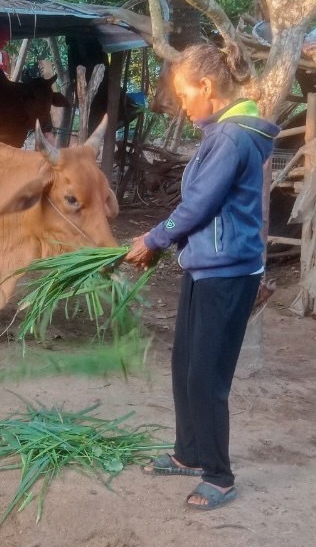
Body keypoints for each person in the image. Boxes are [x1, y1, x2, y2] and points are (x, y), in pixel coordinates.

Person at [126, 42, 279, 511]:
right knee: (185, 368)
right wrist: (166, 243)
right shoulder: (222, 133)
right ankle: (189, 454)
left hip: (228, 273)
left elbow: (198, 206)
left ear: (208, 87)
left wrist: (153, 239)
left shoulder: (231, 138)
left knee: (207, 376)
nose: (181, 103)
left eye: (184, 93)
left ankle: (219, 474)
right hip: (206, 267)